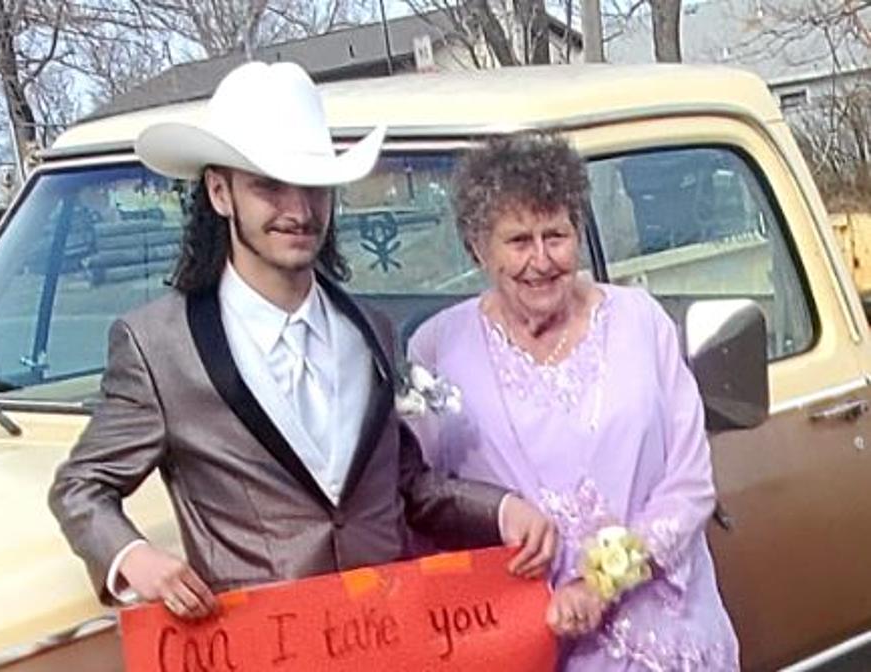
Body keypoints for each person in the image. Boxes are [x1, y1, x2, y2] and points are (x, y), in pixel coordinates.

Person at [48, 62, 555, 621]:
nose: (297, 209)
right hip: (262, 643)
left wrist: (502, 510)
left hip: (387, 636)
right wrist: (132, 556)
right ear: (221, 193)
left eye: (313, 186)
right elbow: (81, 487)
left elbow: (406, 485)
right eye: (269, 185)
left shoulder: (369, 329)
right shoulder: (158, 346)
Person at [407, 131, 739, 670]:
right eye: (518, 241)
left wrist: (601, 581)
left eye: (555, 235)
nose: (541, 260)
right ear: (477, 248)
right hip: (528, 641)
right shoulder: (438, 348)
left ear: (577, 233)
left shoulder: (640, 322)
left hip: (669, 638)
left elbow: (691, 482)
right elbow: (421, 496)